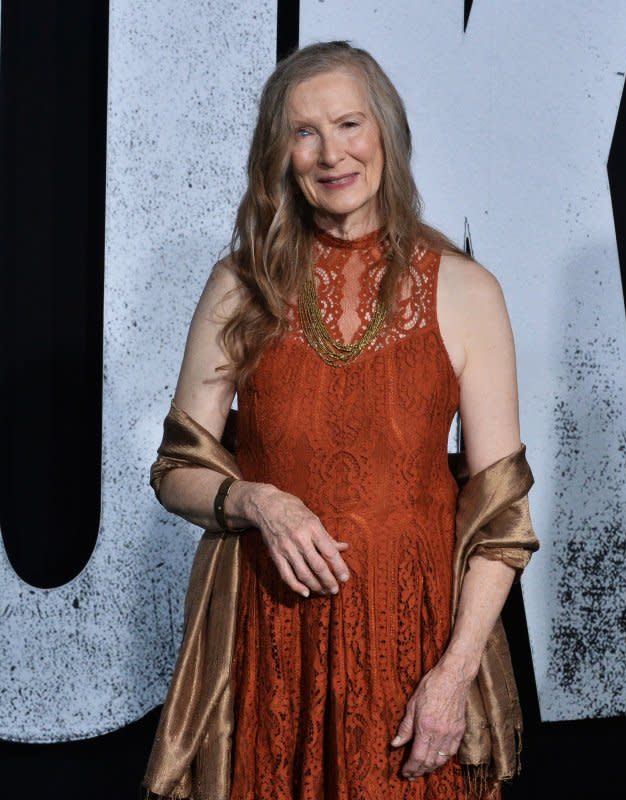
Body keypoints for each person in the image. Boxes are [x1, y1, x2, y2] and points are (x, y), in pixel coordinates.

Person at [141, 40, 538, 800]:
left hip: (413, 644)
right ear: (279, 154)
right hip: (267, 641)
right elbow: (176, 471)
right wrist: (256, 500)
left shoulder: (466, 290)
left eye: (350, 124)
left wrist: (454, 675)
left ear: (385, 131)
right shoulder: (239, 287)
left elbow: (500, 517)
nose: (332, 153)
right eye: (304, 132)